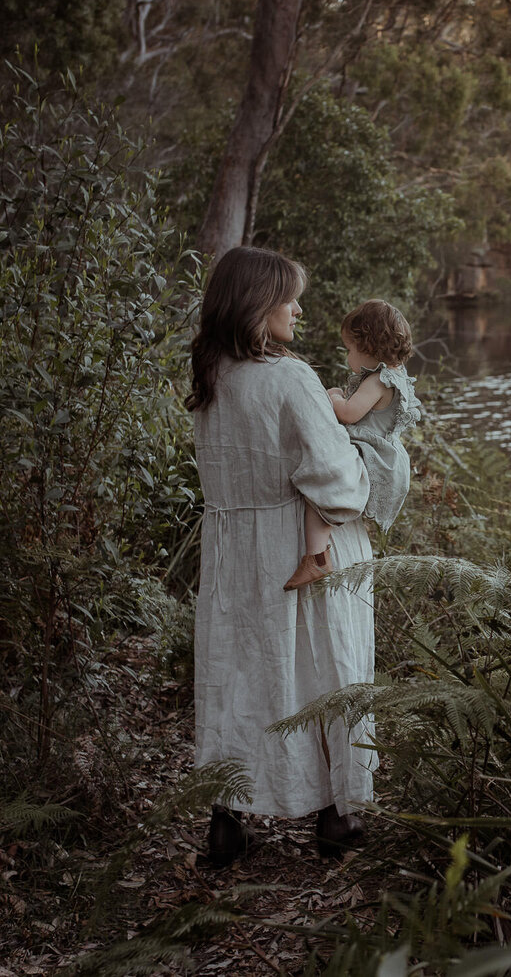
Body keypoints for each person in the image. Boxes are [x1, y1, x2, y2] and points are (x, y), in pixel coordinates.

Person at [185, 246, 376, 864]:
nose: (298, 308)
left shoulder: (211, 378)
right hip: (296, 547)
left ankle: (227, 820)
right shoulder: (289, 377)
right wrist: (367, 465)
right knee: (319, 671)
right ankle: (334, 816)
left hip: (232, 551)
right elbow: (333, 476)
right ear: (256, 304)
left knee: (239, 676)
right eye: (287, 296)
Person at [285, 299, 425, 590]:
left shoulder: (378, 381)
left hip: (372, 454)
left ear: (368, 346)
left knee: (323, 486)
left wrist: (333, 397)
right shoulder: (394, 375)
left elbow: (349, 414)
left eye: (349, 349)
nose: (348, 356)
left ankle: (317, 557)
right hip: (384, 454)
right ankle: (321, 554)